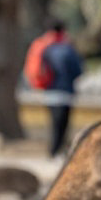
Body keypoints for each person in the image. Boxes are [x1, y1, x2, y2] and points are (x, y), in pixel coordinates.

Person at [26, 20, 84, 157]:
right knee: (62, 124)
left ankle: (53, 150)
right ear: (63, 31)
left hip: (48, 92)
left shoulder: (44, 47)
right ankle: (56, 151)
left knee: (53, 123)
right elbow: (78, 70)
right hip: (64, 92)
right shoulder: (67, 49)